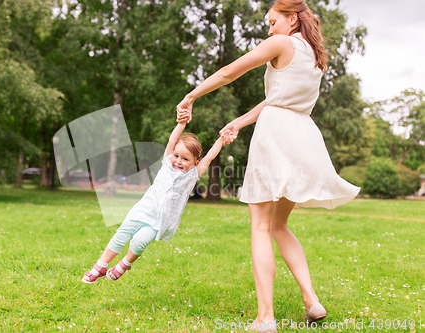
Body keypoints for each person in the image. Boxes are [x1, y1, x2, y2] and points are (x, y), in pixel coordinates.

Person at [176, 0, 360, 331]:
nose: (269, 28)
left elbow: (229, 72)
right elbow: (277, 98)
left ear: (292, 19)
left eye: (272, 21)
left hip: (276, 135)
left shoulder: (281, 43)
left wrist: (191, 95)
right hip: (305, 137)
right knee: (279, 226)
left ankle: (265, 318)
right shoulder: (314, 57)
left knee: (261, 226)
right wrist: (240, 122)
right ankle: (311, 301)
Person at [82, 114, 225, 284]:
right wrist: (181, 124)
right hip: (143, 209)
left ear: (195, 162)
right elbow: (172, 142)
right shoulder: (166, 163)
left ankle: (124, 264)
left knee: (139, 242)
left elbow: (209, 157)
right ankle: (100, 266)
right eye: (176, 156)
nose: (178, 161)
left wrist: (222, 140)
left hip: (159, 220)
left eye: (185, 159)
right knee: (121, 235)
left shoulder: (193, 174)